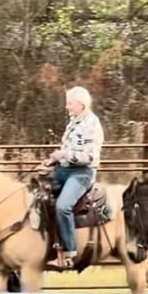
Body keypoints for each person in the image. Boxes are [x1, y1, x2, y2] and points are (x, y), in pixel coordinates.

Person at [44, 85, 105, 270]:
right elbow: (69, 149)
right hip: (65, 169)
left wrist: (63, 155)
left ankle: (69, 252)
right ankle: (46, 245)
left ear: (82, 105)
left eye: (70, 103)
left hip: (82, 173)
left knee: (63, 206)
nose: (67, 107)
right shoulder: (74, 121)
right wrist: (53, 160)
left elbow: (89, 157)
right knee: (36, 194)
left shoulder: (91, 125)